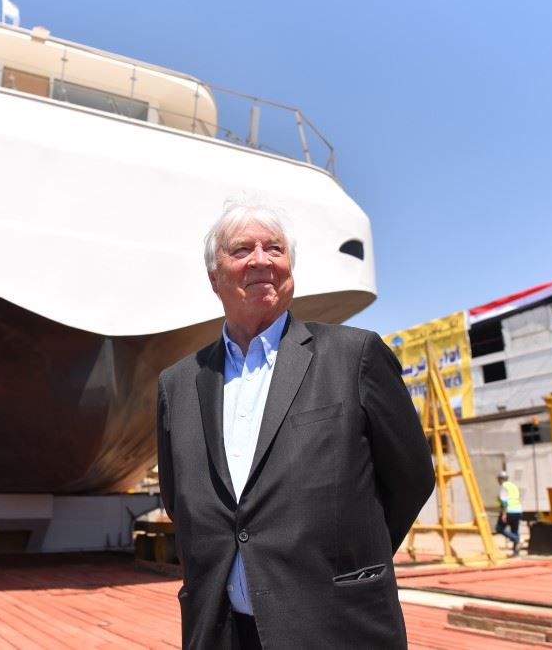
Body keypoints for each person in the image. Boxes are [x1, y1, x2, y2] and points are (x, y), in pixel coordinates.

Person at [156, 200, 435, 649]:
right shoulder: (178, 384)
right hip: (220, 630)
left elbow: (413, 477)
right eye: (242, 249)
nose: (262, 260)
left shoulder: (354, 356)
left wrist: (348, 559)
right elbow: (180, 501)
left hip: (336, 625)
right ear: (214, 277)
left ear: (290, 268)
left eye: (275, 249)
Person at [495, 470, 522, 556]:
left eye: (498, 479)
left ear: (501, 479)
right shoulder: (514, 486)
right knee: (515, 530)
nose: (498, 481)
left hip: (509, 511)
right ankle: (516, 551)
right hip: (518, 510)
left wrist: (504, 513)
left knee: (499, 528)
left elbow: (504, 501)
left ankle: (516, 539)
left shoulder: (504, 486)